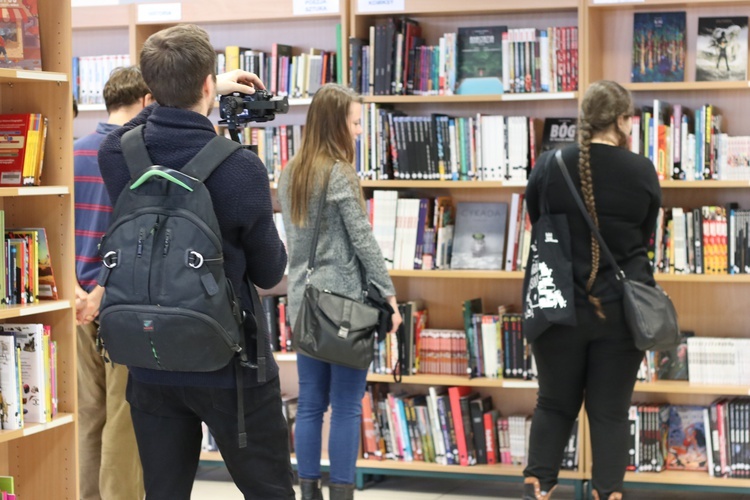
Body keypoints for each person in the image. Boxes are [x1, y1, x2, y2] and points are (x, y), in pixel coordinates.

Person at [97, 25, 293, 500]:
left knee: (164, 493)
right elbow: (269, 271)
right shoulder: (240, 167)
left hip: (148, 359)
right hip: (231, 366)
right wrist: (206, 91)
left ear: (148, 90)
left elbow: (129, 128)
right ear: (207, 86)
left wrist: (194, 87)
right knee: (270, 491)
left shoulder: (116, 155)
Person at [522, 80, 661, 500]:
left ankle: (536, 490)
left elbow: (535, 218)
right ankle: (608, 493)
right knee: (610, 414)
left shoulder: (549, 165)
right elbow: (646, 233)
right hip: (621, 310)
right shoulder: (641, 170)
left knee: (554, 405)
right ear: (622, 120)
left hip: (556, 307)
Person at [278, 83, 402, 500]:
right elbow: (363, 239)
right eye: (355, 122)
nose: (360, 131)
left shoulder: (290, 170)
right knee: (347, 405)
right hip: (344, 306)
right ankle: (343, 493)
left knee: (311, 402)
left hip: (304, 302)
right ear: (336, 124)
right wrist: (389, 295)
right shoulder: (339, 172)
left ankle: (309, 491)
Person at [74, 65, 152, 500]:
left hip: (76, 304)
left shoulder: (73, 152)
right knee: (124, 419)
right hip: (122, 303)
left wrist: (77, 292)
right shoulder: (137, 157)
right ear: (145, 101)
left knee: (87, 416)